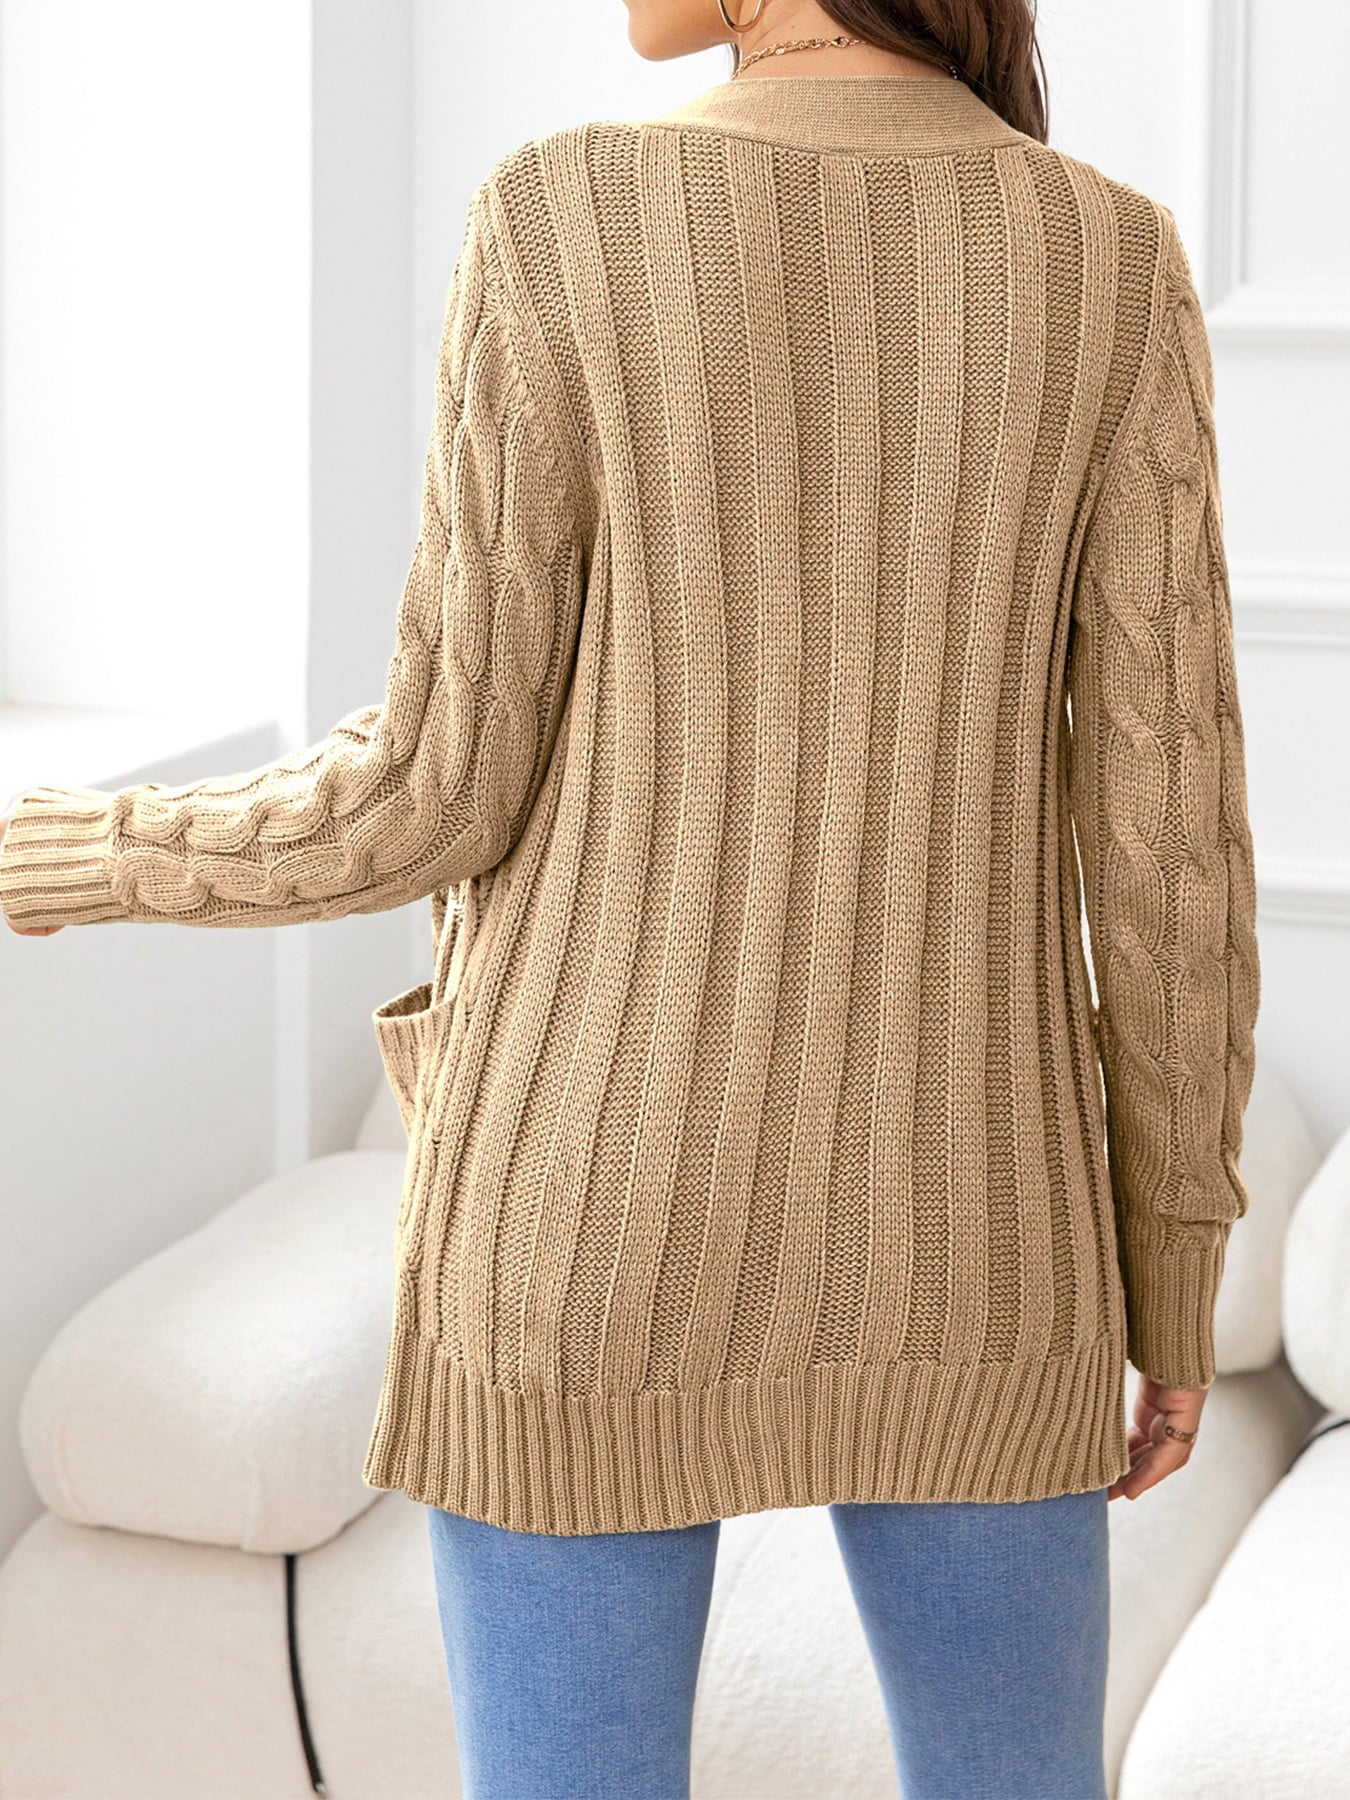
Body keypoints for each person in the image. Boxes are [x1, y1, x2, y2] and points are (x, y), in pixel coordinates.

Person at [0, 0, 1261, 1795]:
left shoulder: (562, 214)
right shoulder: (1107, 257)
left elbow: (431, 789)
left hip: (579, 1223)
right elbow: (1168, 855)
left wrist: (80, 849)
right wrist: (1169, 1273)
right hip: (984, 1237)